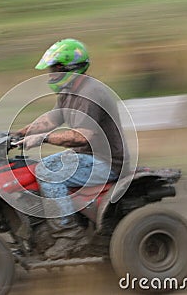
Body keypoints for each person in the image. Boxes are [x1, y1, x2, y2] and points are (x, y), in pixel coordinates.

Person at [15, 38, 129, 260]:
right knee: (33, 168)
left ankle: (69, 235)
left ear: (71, 68)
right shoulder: (69, 91)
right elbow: (51, 119)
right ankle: (41, 228)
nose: (50, 75)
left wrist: (42, 139)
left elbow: (81, 137)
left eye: (55, 69)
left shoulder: (91, 93)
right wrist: (17, 134)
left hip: (107, 163)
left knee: (48, 172)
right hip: (86, 157)